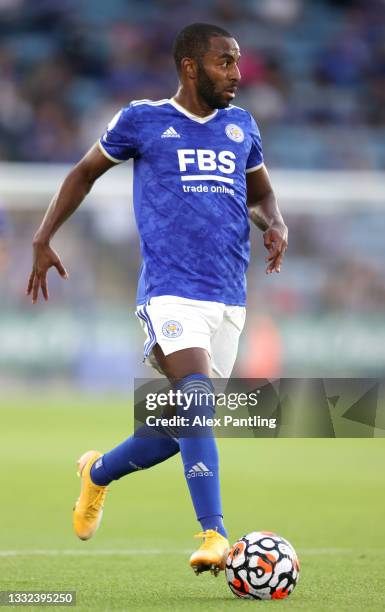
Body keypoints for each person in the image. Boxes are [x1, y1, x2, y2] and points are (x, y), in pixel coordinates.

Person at [26, 23, 288, 576]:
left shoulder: (241, 127)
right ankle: (215, 533)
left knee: (179, 428)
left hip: (228, 297)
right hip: (170, 293)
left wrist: (275, 222)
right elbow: (84, 173)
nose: (237, 74)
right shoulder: (142, 120)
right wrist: (43, 236)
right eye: (225, 62)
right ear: (190, 67)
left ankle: (96, 473)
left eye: (238, 62)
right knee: (194, 399)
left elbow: (261, 192)